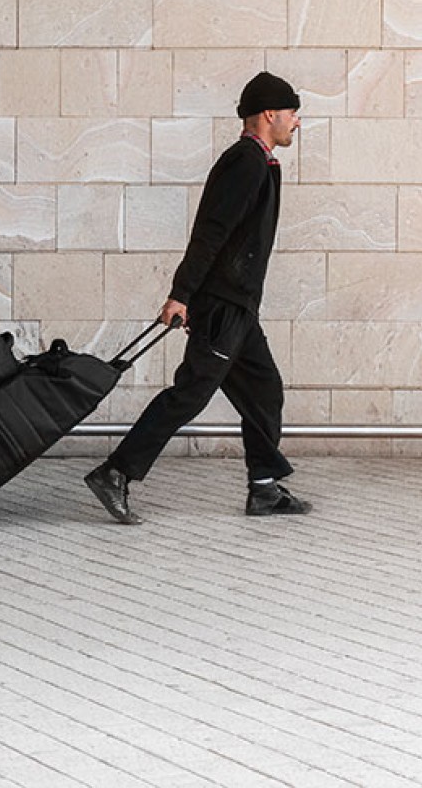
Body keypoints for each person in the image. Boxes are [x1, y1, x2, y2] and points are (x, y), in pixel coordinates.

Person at [85, 70, 312, 522]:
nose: (297, 122)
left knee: (264, 389)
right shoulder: (245, 162)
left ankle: (264, 488)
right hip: (222, 306)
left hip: (239, 307)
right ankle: (116, 472)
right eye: (292, 112)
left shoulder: (259, 161)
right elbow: (211, 232)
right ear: (269, 114)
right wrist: (181, 294)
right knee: (190, 393)